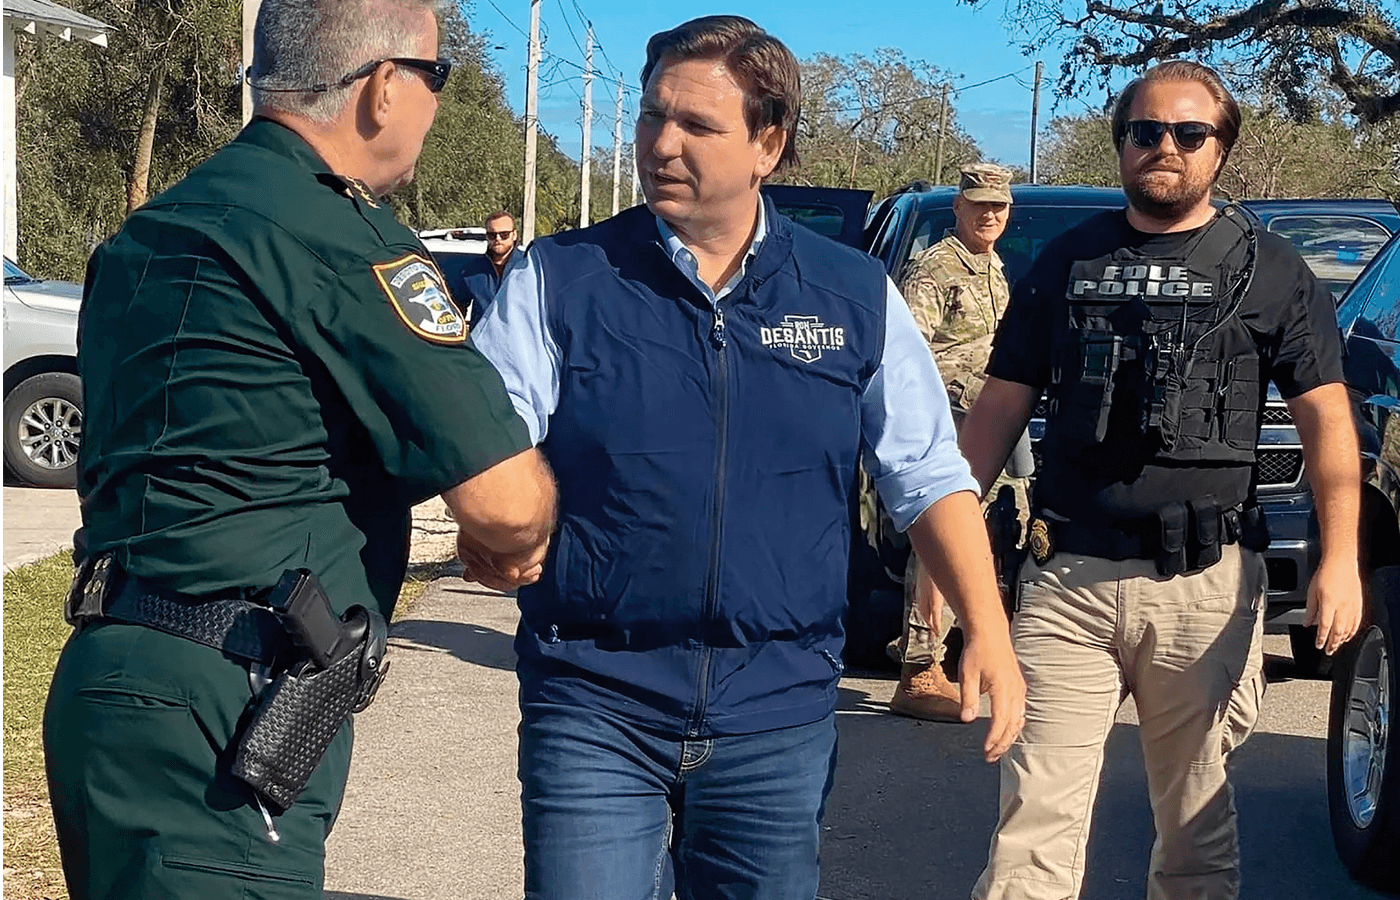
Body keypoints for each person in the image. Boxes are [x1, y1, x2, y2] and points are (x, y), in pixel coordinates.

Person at [470, 15, 1025, 900]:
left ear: (769, 142)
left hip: (779, 709)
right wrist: (494, 520)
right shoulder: (557, 280)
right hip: (595, 699)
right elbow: (489, 439)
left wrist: (986, 628)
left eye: (697, 125)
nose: (662, 142)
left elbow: (925, 474)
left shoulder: (851, 296)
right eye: (654, 117)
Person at [42, 2, 556, 898]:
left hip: (107, 675)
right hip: (225, 709)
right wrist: (511, 539)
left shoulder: (153, 230)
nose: (435, 105)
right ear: (384, 87)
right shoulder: (342, 240)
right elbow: (506, 503)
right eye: (436, 78)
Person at [959, 60, 1363, 900]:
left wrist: (1339, 560)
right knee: (1033, 826)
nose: (1165, 147)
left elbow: (1328, 423)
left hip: (1205, 585)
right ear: (1121, 146)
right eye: (1145, 132)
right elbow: (997, 412)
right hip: (1067, 579)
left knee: (1193, 831)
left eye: (1189, 133)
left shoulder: (1273, 270)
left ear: (1222, 150)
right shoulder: (1066, 260)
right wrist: (945, 560)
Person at [887, 162, 1031, 722]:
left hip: (998, 423)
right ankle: (919, 669)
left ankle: (971, 657)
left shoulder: (993, 268)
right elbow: (910, 357)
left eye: (999, 206)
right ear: (960, 207)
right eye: (980, 205)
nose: (990, 214)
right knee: (943, 539)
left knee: (997, 539)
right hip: (950, 425)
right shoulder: (935, 269)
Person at [460, 209, 523, 324]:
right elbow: (458, 311)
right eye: (492, 235)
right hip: (481, 340)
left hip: (519, 339)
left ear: (514, 235)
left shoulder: (527, 266)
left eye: (504, 235)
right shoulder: (471, 270)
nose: (498, 239)